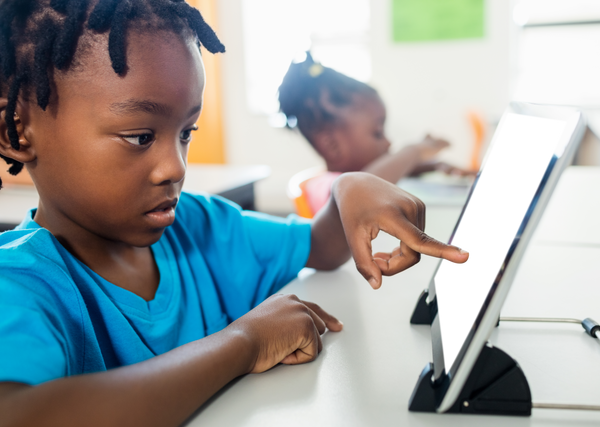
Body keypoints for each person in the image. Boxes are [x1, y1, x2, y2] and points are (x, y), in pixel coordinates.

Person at [0, 1, 471, 426]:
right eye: (141, 136)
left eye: (185, 132)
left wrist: (351, 187)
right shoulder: (17, 283)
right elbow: (23, 414)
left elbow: (322, 247)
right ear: (17, 133)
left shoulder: (198, 227)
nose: (175, 167)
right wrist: (242, 343)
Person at [278, 52, 476, 215]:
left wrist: (433, 165)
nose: (389, 143)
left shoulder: (354, 176)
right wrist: (414, 150)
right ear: (332, 146)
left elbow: (377, 175)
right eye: (377, 133)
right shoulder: (325, 187)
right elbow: (365, 185)